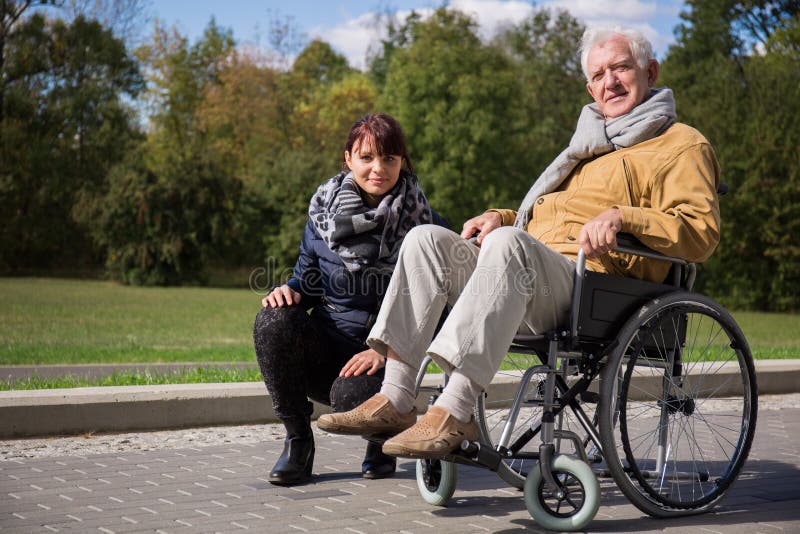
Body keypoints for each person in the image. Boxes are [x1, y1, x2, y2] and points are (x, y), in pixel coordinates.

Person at [317, 26, 721, 459]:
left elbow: (700, 231)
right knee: (426, 240)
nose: (611, 81)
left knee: (508, 245)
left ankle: (456, 409)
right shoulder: (586, 146)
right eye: (599, 74)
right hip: (528, 271)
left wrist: (624, 216)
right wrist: (504, 217)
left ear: (650, 71)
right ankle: (396, 398)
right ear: (590, 87)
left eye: (621, 67)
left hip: (598, 287)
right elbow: (550, 218)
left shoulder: (681, 144)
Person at [253, 113, 447, 485]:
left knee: (350, 397)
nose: (379, 168)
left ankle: (381, 436)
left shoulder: (427, 225)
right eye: (367, 157)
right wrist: (288, 290)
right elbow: (307, 280)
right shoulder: (323, 214)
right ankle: (297, 442)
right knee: (273, 319)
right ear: (348, 159)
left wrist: (388, 346)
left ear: (402, 162)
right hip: (329, 347)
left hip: (386, 361)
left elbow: (442, 306)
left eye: (389, 158)